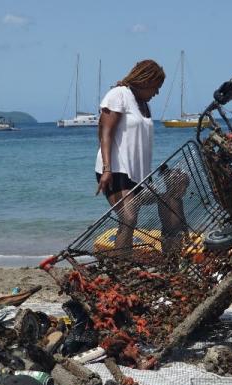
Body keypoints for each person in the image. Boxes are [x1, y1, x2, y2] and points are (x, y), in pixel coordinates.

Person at [94, 59, 165, 255]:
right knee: (129, 218)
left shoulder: (143, 104)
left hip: (137, 175)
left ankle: (171, 251)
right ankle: (119, 264)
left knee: (169, 198)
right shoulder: (119, 95)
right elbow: (105, 133)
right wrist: (107, 169)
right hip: (115, 170)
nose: (157, 92)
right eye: (155, 87)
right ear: (145, 81)